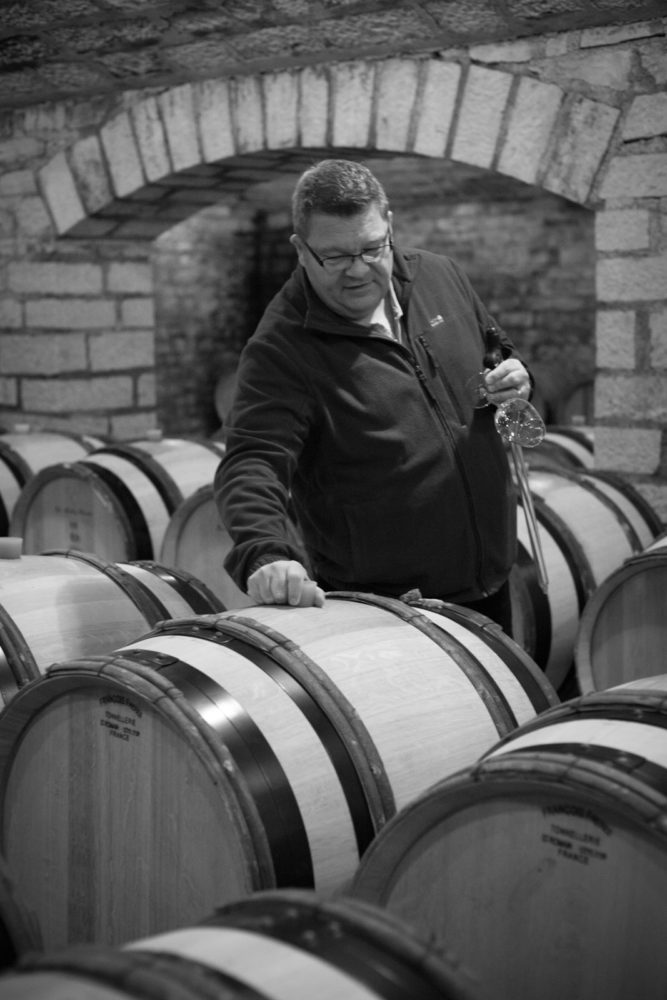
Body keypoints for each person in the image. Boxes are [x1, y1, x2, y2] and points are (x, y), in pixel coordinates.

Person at [214, 159, 534, 635]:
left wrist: (516, 377)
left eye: (372, 249)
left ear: (390, 227)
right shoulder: (283, 345)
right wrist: (266, 552)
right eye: (336, 256)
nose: (359, 271)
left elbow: (495, 351)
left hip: (490, 579)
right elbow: (253, 458)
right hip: (385, 608)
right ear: (301, 250)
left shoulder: (440, 276)